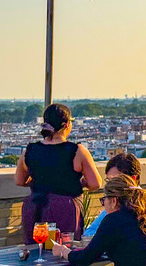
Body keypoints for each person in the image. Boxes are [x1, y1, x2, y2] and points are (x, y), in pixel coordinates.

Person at [52, 175, 146, 266]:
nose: (103, 205)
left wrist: (63, 251)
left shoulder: (113, 219)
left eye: (103, 200)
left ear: (114, 201)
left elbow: (84, 258)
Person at [15, 103, 102, 245]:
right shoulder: (77, 151)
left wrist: (39, 182)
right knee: (64, 249)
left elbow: (19, 180)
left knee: (36, 249)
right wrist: (79, 183)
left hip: (35, 205)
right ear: (67, 125)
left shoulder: (30, 150)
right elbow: (95, 183)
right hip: (64, 207)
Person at [84, 153, 146, 259]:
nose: (111, 185)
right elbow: (89, 233)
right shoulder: (116, 202)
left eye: (115, 179)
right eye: (109, 180)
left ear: (132, 179)